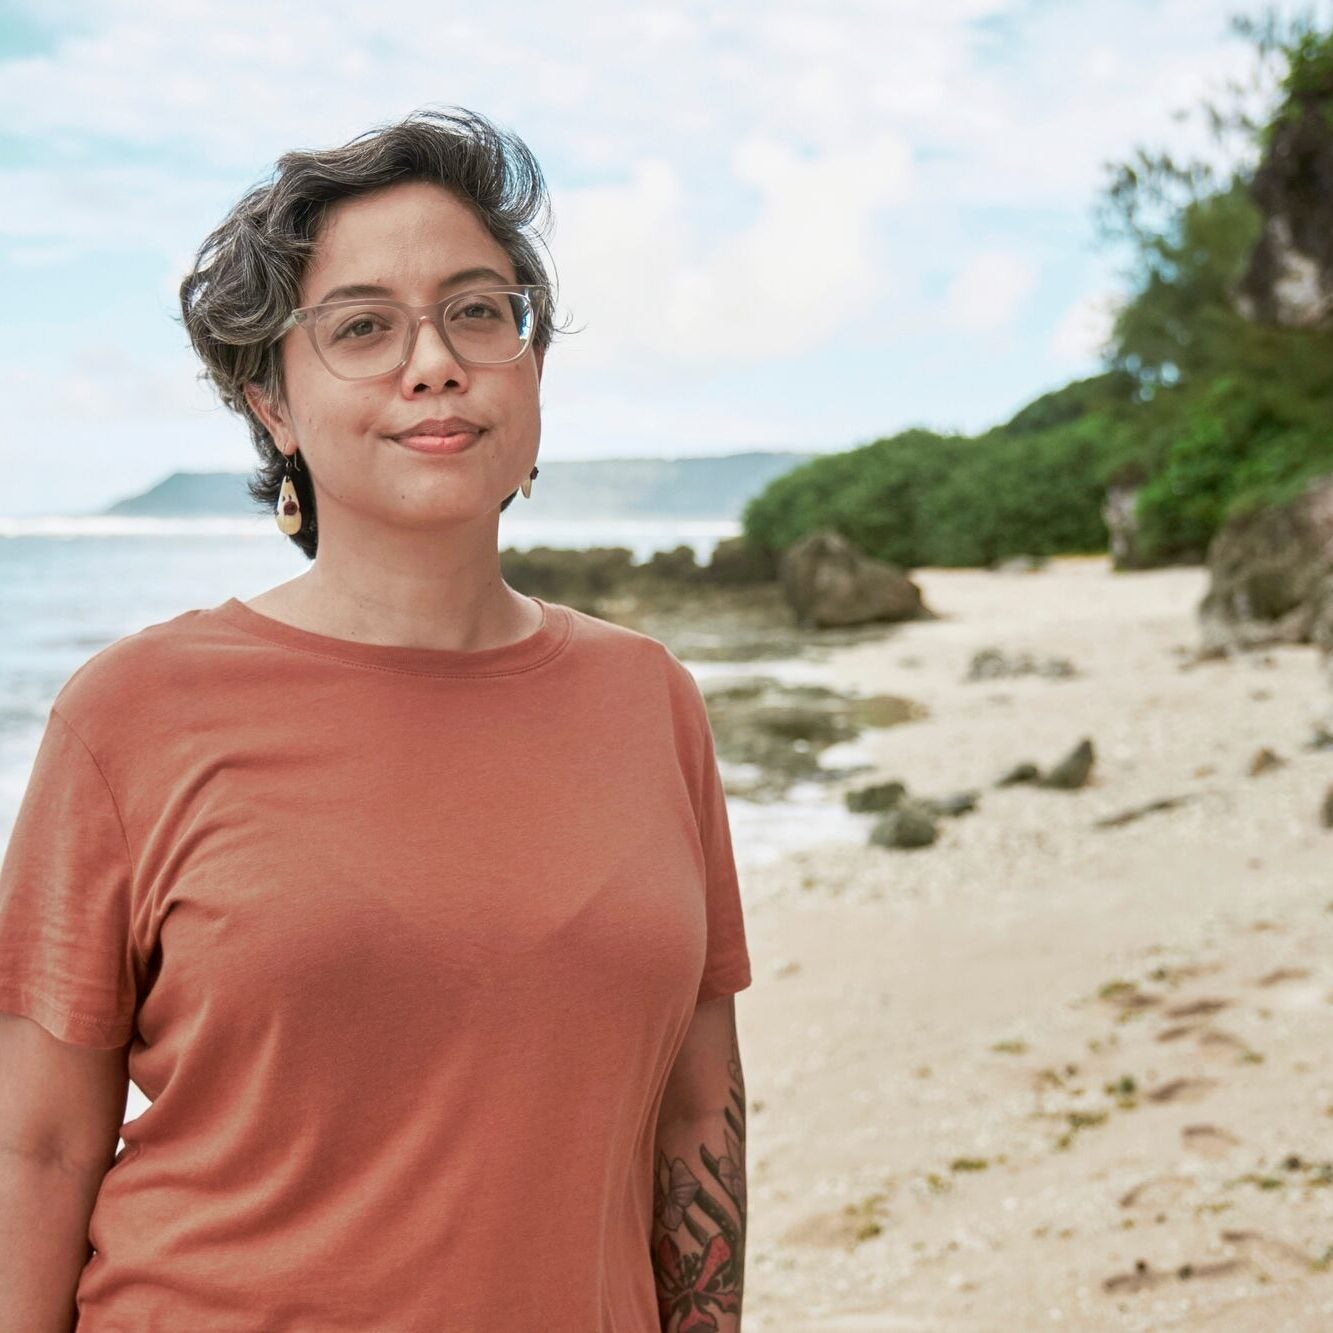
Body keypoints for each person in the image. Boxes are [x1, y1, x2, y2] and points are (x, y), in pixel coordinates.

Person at [0, 106, 752, 1331]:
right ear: (273, 406)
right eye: (361, 327)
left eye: (477, 310)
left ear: (532, 365)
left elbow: (696, 1114)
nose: (435, 360)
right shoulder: (133, 713)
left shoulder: (649, 700)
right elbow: (32, 1147)